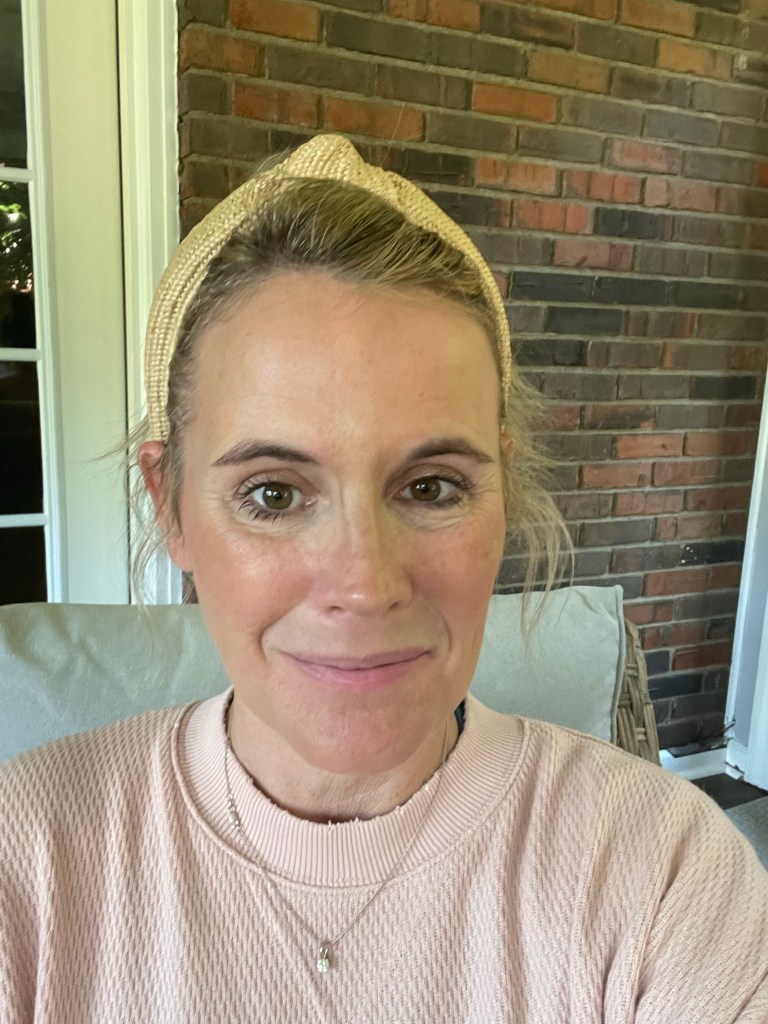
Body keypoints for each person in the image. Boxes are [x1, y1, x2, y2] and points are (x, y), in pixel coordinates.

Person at [0, 134, 766, 1023]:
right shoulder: (25, 861)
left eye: (431, 487)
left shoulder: (668, 873)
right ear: (169, 505)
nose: (365, 586)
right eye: (274, 493)